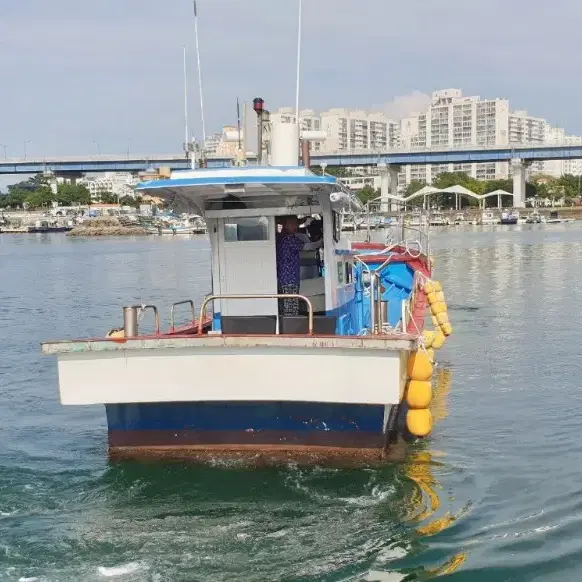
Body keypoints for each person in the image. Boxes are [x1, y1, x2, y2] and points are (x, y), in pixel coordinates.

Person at [276, 215, 323, 316]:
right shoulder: (289, 239)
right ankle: (290, 330)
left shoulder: (281, 237)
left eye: (296, 223)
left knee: (283, 309)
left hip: (282, 279)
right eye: (292, 224)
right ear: (285, 225)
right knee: (291, 311)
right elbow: (308, 247)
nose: (295, 226)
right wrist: (322, 241)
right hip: (289, 280)